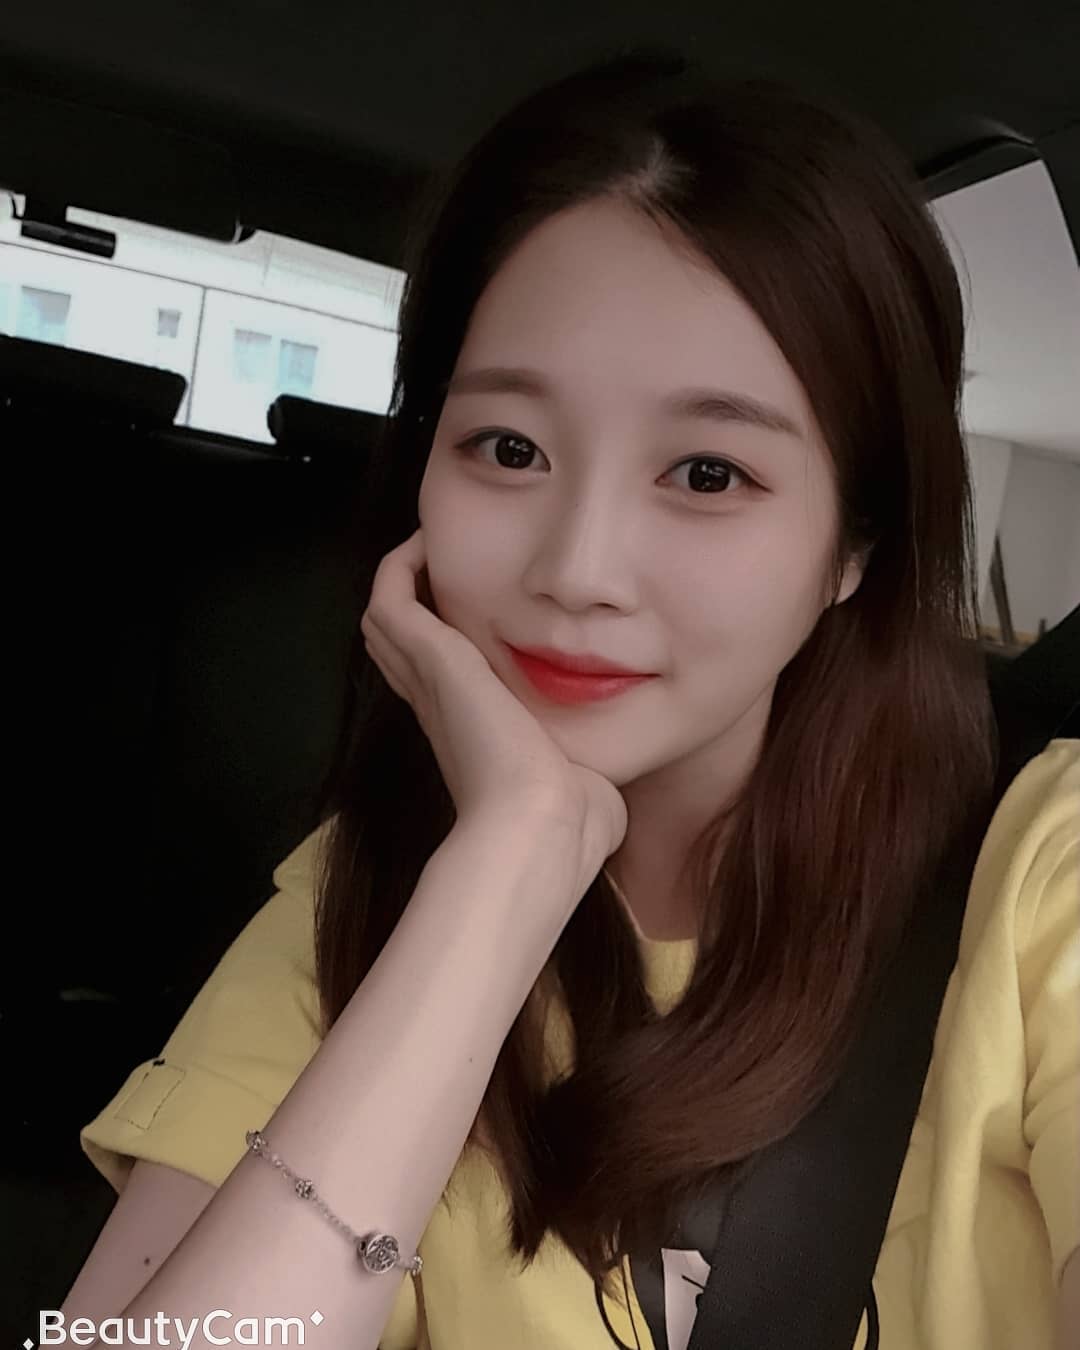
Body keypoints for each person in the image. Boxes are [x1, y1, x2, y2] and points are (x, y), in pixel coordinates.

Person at [65, 49, 1078, 1350]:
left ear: (855, 546)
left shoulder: (1042, 879)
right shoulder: (364, 901)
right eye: (509, 448)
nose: (578, 570)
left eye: (708, 473)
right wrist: (511, 863)